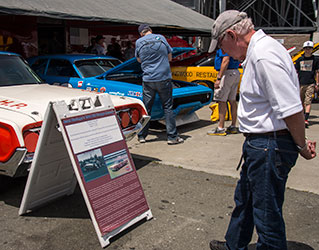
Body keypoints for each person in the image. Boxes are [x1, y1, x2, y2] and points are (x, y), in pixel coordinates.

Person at [207, 10, 316, 250]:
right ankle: (234, 245)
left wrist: (300, 145)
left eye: (222, 45)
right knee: (245, 200)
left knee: (267, 215)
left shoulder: (264, 55)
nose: (223, 51)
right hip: (263, 144)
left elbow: (291, 108)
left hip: (270, 145)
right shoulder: (261, 51)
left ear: (232, 35)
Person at [135, 24, 183, 145]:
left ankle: (141, 135)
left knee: (146, 108)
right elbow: (170, 58)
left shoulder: (139, 42)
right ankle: (172, 137)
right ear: (150, 30)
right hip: (164, 78)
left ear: (141, 33)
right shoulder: (161, 38)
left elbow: (139, 60)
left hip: (148, 79)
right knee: (167, 107)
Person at [207, 48, 240, 136]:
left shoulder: (225, 46)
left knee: (222, 100)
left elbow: (225, 60)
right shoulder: (233, 46)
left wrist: (219, 78)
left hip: (227, 73)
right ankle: (233, 125)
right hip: (235, 72)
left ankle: (220, 127)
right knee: (232, 100)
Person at [294, 40, 319, 128]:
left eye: (309, 48)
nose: (308, 50)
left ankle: (306, 119)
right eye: (306, 48)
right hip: (301, 83)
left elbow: (317, 72)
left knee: (307, 101)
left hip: (310, 83)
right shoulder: (299, 60)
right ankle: (301, 117)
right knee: (300, 101)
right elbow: (296, 72)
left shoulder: (315, 60)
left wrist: (317, 83)